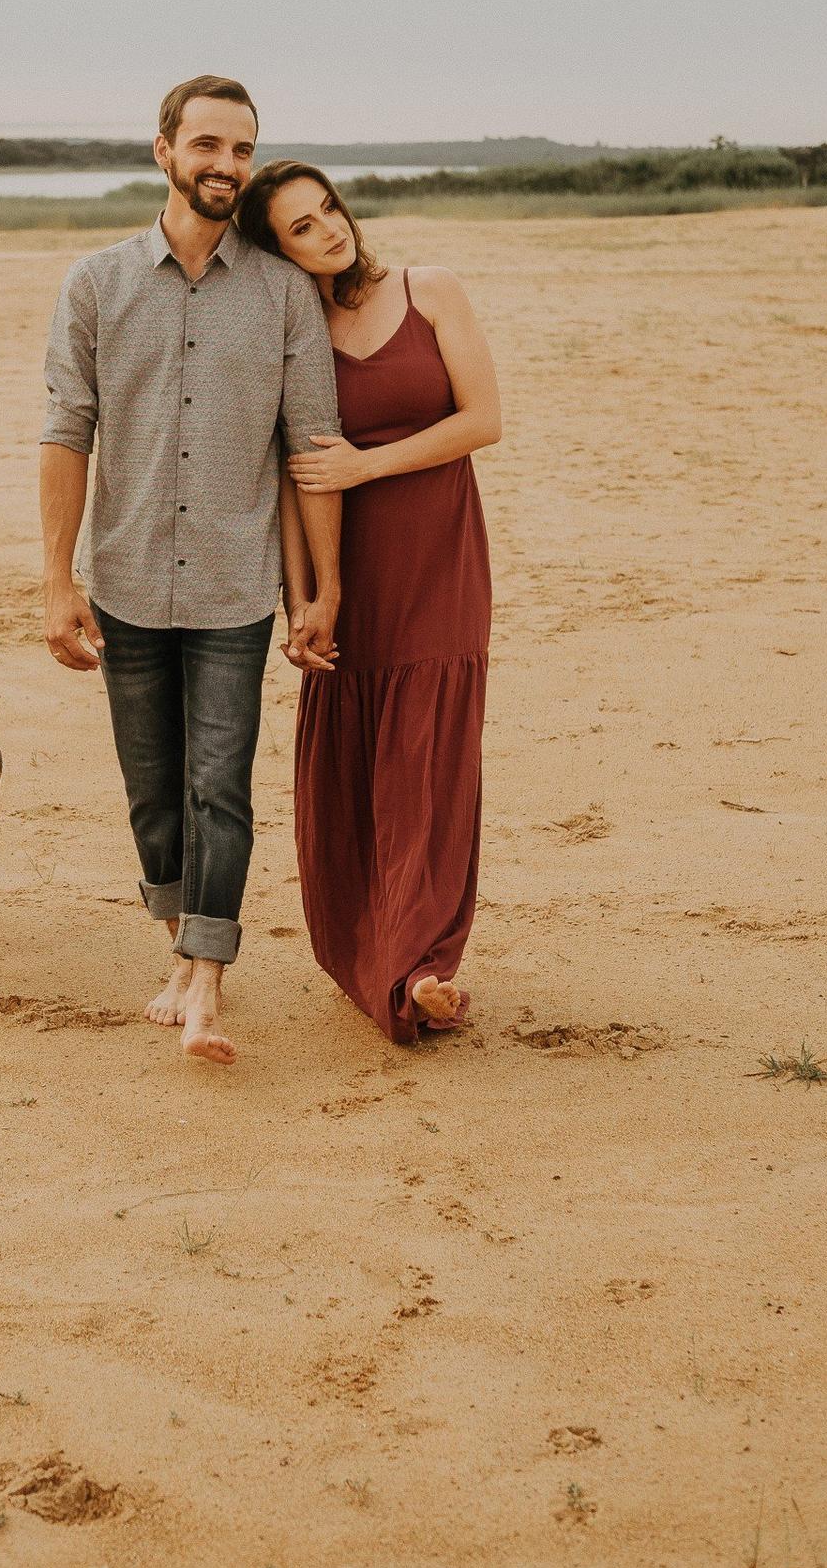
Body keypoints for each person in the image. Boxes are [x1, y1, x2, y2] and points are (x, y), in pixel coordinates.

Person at [39, 80, 342, 1066]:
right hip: (122, 578)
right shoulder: (95, 283)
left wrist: (318, 588)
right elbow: (65, 432)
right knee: (152, 796)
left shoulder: (285, 292)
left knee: (220, 787)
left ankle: (207, 983)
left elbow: (311, 446)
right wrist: (56, 577)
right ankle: (179, 943)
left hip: (231, 589)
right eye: (206, 142)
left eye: (241, 148)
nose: (225, 163)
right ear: (163, 150)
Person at [237, 161, 500, 1044]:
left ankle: (424, 964)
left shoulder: (431, 289)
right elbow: (289, 473)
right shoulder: (290, 322)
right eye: (301, 228)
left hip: (437, 555)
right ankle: (371, 955)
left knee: (426, 762)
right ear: (276, 249)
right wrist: (301, 599)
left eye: (329, 210)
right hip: (345, 564)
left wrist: (368, 463)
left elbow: (482, 420)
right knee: (352, 770)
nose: (329, 231)